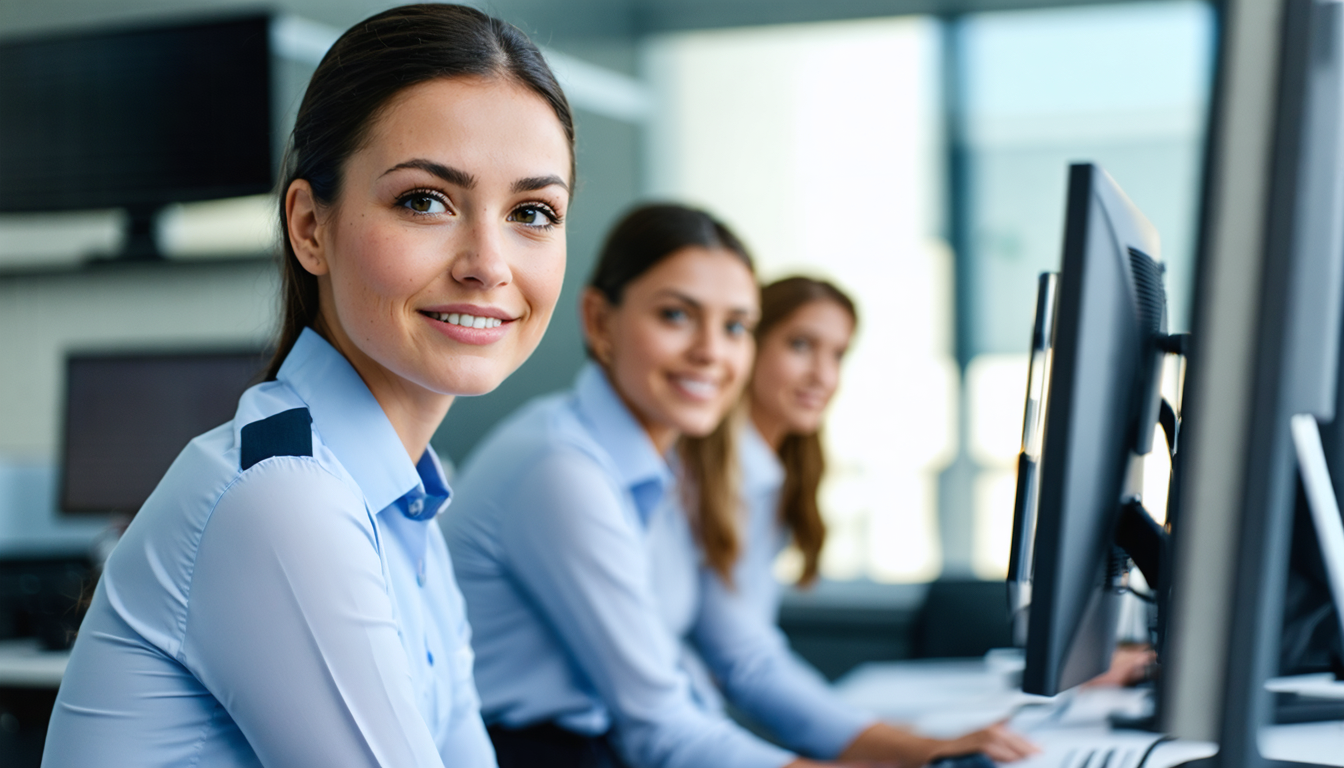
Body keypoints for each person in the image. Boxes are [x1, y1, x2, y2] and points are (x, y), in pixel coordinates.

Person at [42, 6, 573, 767]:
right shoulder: (286, 499)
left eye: (533, 212)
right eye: (425, 200)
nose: (488, 264)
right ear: (309, 227)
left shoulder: (408, 502)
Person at [674, 276, 1038, 766]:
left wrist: (894, 738)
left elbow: (757, 653)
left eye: (838, 355)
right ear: (747, 346)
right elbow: (747, 662)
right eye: (800, 345)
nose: (823, 376)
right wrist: (911, 748)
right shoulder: (708, 480)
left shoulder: (773, 473)